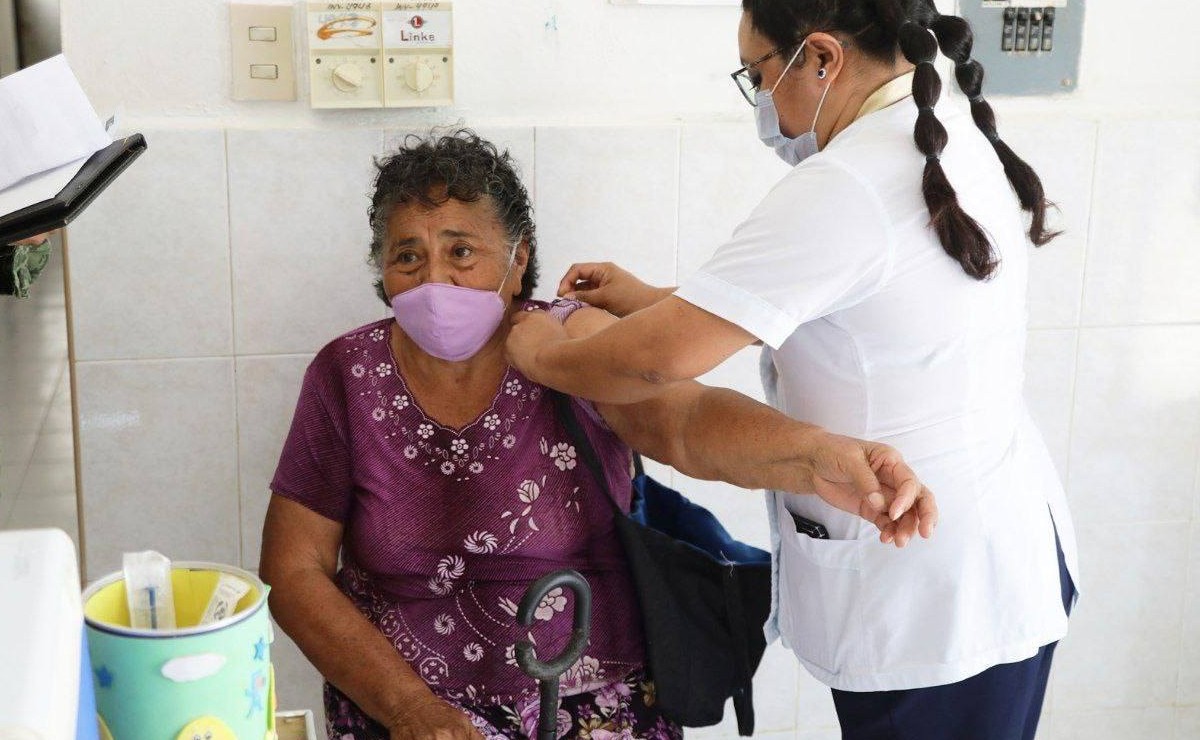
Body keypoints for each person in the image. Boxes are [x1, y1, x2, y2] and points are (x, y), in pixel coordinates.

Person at [504, 2, 1078, 739]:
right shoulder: (937, 136)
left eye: (758, 72)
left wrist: (542, 351)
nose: (759, 96)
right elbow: (841, 302)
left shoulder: (850, 183)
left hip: (931, 589)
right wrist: (651, 300)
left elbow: (654, 364)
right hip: (992, 543)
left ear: (821, 58)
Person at [259, 130, 936, 740]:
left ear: (517, 261)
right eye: (407, 256)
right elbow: (293, 570)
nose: (435, 279)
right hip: (403, 715)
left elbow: (686, 420)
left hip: (591, 706)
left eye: (461, 251)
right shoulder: (348, 374)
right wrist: (411, 711)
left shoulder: (570, 340)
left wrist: (814, 455)